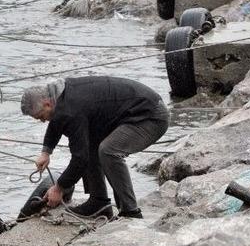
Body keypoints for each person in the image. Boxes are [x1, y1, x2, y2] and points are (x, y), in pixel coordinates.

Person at [20, 76, 169, 219]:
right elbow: (56, 121)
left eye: (41, 116)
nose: (42, 121)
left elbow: (80, 159)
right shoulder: (59, 96)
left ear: (47, 104)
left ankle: (130, 212)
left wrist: (59, 188)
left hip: (150, 116)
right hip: (131, 112)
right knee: (89, 143)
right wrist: (46, 152)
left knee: (108, 151)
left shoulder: (71, 109)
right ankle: (98, 202)